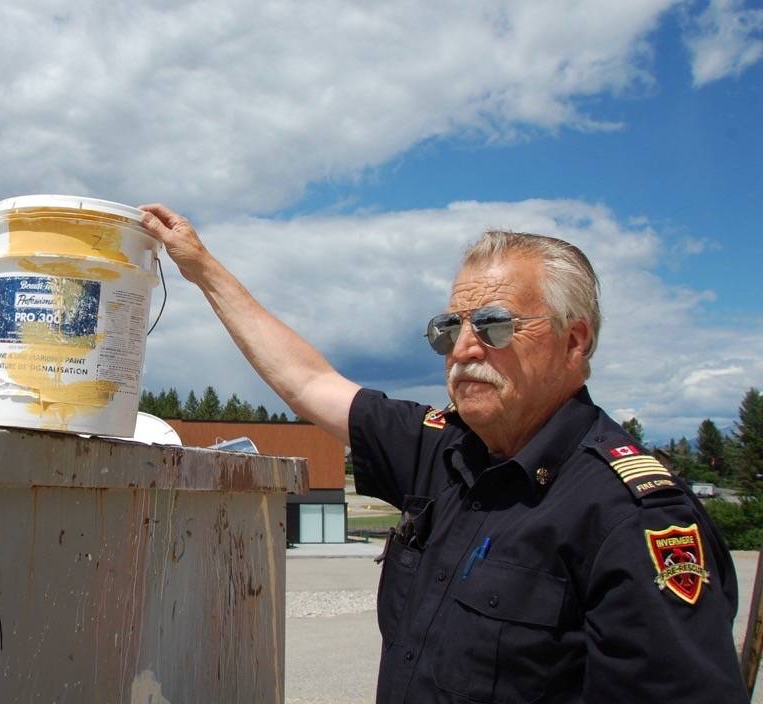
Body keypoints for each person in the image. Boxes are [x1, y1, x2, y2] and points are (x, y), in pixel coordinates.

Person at [138, 203, 749, 703]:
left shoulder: (630, 517)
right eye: (448, 329)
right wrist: (201, 267)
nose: (463, 350)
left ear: (574, 339)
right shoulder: (445, 449)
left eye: (494, 325)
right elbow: (308, 382)